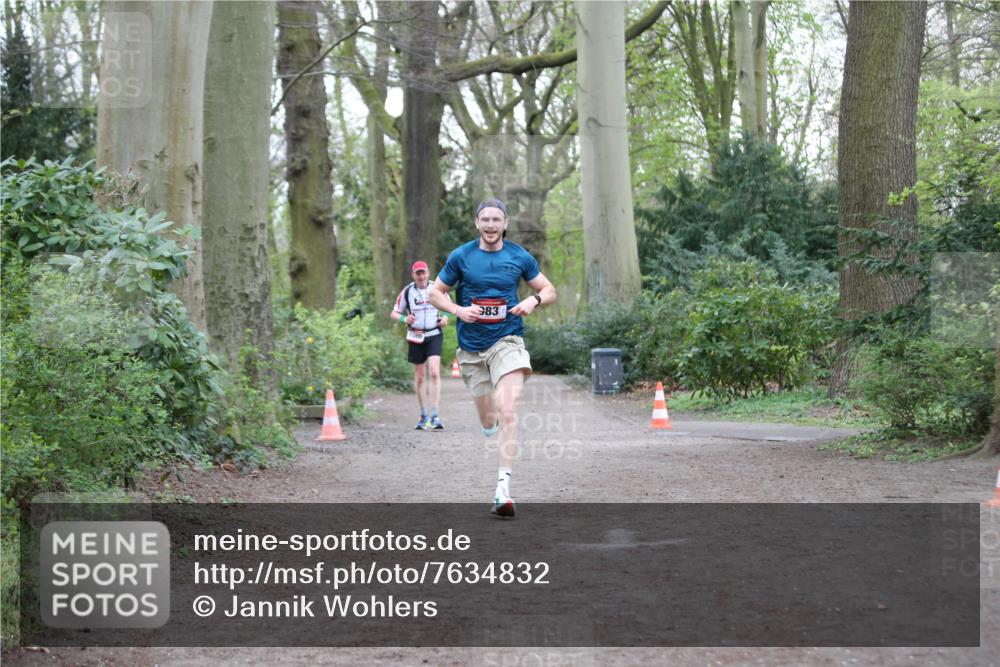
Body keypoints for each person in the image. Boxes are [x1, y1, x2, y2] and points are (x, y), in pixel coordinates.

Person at [428, 198, 556, 517]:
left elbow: (549, 290)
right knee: (489, 420)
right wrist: (458, 310)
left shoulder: (518, 256)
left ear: (505, 223)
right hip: (471, 349)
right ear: (476, 223)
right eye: (484, 219)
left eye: (496, 220)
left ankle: (503, 488)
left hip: (508, 341)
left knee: (508, 409)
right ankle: (491, 423)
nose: (490, 225)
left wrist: (534, 301)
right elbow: (434, 292)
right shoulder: (461, 256)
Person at [391, 260, 448, 430]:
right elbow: (394, 313)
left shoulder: (437, 288)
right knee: (420, 375)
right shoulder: (407, 291)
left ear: (428, 273)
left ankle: (435, 414)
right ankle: (423, 414)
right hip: (415, 336)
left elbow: (448, 307)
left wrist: (444, 318)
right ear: (413, 275)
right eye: (418, 273)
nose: (421, 276)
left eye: (423, 272)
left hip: (433, 334)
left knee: (435, 372)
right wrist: (404, 318)